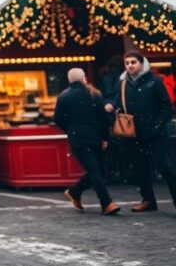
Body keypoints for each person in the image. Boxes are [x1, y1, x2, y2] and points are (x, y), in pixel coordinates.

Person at [105, 51, 176, 212]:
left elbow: (166, 107)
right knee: (141, 168)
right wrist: (111, 105)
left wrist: (157, 127)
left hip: (156, 134)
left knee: (167, 168)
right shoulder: (122, 83)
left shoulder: (155, 81)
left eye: (133, 62)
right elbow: (118, 102)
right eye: (127, 63)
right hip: (134, 133)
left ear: (142, 63)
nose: (130, 65)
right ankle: (148, 200)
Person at [54, 68, 120, 215]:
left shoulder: (63, 97)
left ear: (69, 80)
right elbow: (103, 120)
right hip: (95, 137)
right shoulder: (94, 94)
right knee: (98, 170)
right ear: (84, 78)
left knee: (95, 170)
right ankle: (106, 202)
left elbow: (57, 119)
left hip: (77, 138)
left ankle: (75, 192)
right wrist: (104, 138)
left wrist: (69, 128)